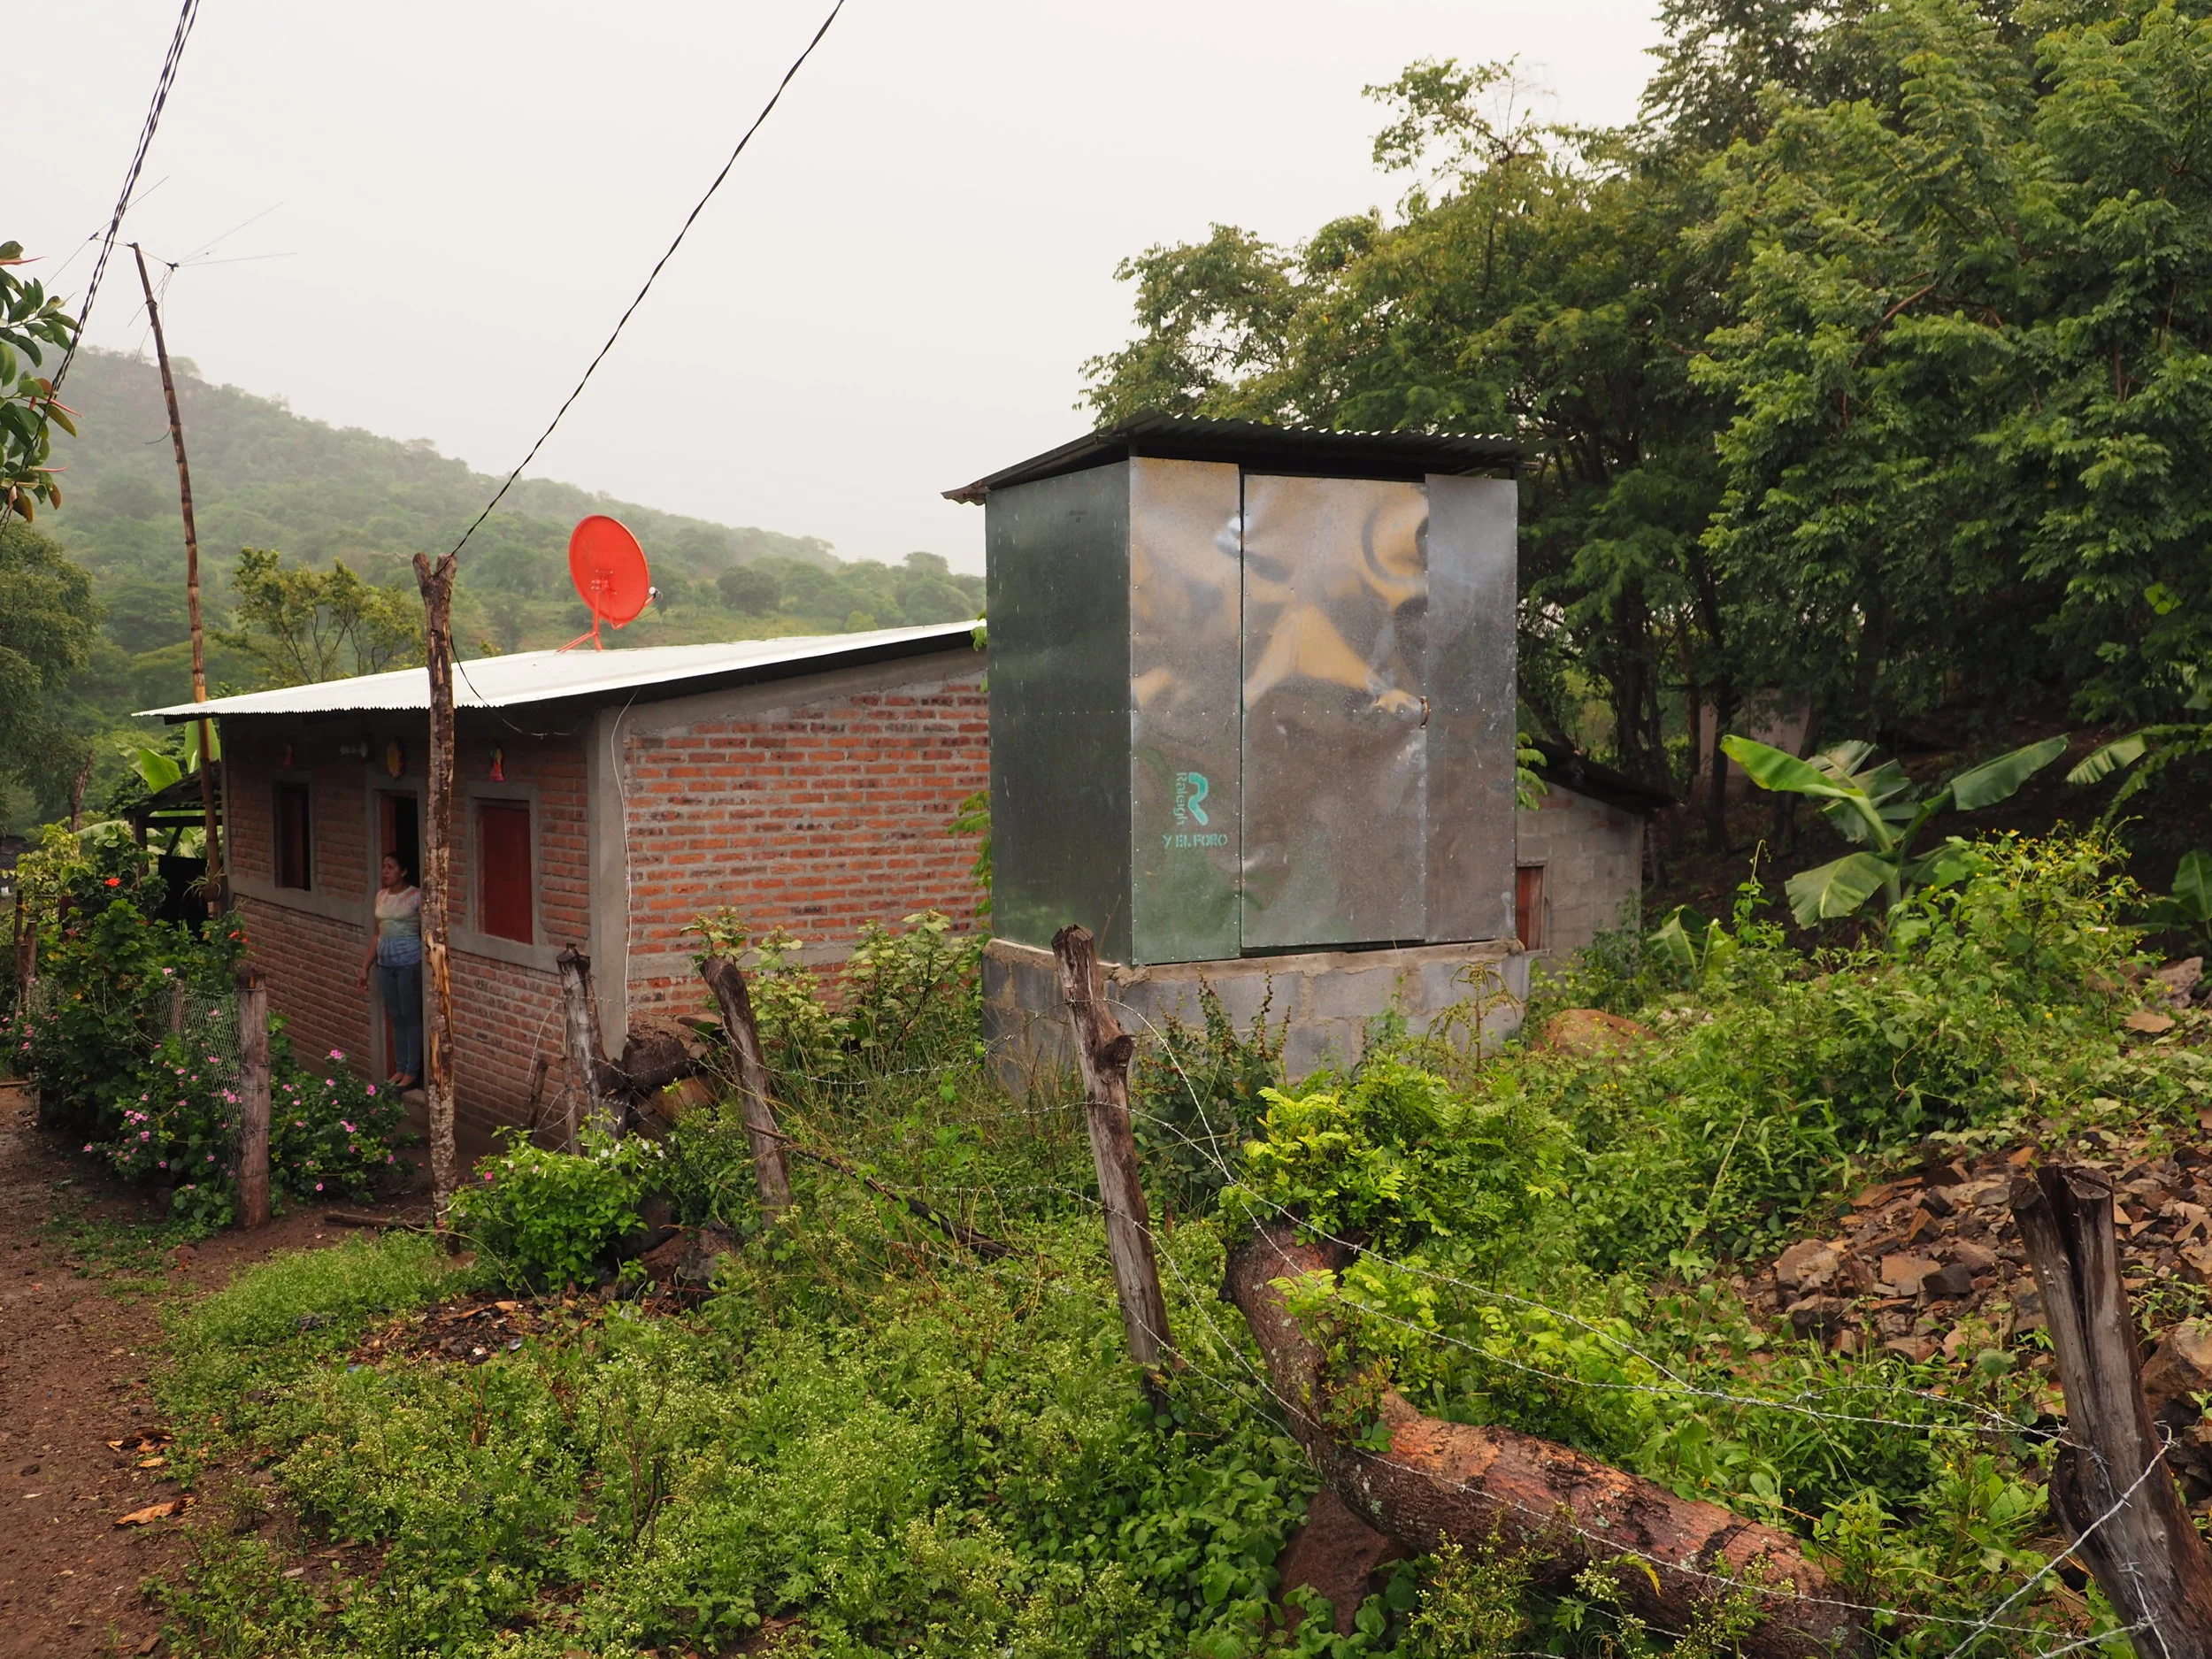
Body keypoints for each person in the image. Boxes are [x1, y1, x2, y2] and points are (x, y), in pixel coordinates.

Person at [357, 852, 423, 1089]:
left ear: (403, 871)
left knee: (411, 1016)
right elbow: (377, 933)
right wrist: (366, 966)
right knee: (396, 1016)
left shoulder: (416, 897)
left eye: (391, 867)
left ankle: (412, 1070)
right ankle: (400, 1067)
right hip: (386, 964)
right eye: (384, 867)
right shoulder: (380, 896)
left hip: (409, 963)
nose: (385, 871)